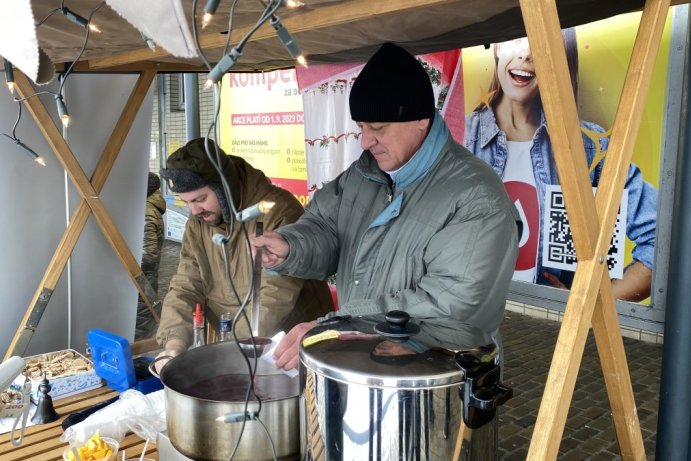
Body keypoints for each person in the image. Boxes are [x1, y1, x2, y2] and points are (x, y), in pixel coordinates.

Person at [251, 42, 521, 371]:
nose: (365, 141)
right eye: (362, 127)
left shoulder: (477, 197)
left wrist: (338, 325)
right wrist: (290, 246)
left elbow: (449, 304)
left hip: (434, 379)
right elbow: (327, 230)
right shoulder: (362, 175)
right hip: (363, 365)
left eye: (378, 128)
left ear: (421, 119)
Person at [464, 30, 657, 302]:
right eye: (517, 37)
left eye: (541, 42)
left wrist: (589, 307)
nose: (526, 53)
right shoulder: (458, 137)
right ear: (496, 47)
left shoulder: (589, 148)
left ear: (560, 58)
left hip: (545, 330)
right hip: (467, 322)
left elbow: (661, 241)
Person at [154, 138, 334, 366]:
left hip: (288, 344)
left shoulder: (277, 211)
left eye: (200, 199)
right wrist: (174, 344)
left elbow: (273, 296)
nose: (194, 210)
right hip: (238, 342)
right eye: (186, 202)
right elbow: (186, 283)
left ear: (223, 187)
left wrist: (233, 351)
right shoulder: (199, 222)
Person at [135, 172, 167, 340]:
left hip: (143, 273)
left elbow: (148, 253)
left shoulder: (146, 210)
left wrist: (135, 270)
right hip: (147, 272)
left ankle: (140, 350)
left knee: (142, 312)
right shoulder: (149, 206)